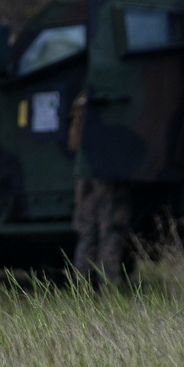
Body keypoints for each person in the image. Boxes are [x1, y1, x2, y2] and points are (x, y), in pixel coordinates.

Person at [67, 88, 131, 283]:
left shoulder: (81, 102)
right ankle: (108, 285)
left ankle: (82, 286)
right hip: (104, 172)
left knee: (86, 232)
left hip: (84, 171)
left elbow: (73, 142)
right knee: (110, 229)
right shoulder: (103, 100)